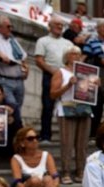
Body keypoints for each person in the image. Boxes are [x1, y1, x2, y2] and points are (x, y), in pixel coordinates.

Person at [50, 46, 92, 184]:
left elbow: (91, 92)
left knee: (82, 143)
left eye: (78, 54)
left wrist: (94, 85)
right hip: (66, 108)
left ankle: (81, 170)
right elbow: (52, 94)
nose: (76, 56)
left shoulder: (86, 72)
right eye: (73, 54)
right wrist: (68, 85)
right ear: (66, 56)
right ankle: (66, 172)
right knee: (67, 143)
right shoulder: (61, 72)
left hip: (84, 108)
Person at [34, 15, 74, 144]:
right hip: (50, 75)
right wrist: (53, 71)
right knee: (47, 105)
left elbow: (74, 60)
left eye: (61, 25)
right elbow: (39, 60)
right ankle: (45, 136)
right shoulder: (42, 41)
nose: (60, 27)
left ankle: (68, 136)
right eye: (57, 24)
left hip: (66, 76)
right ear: (49, 26)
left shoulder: (68, 43)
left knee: (69, 105)